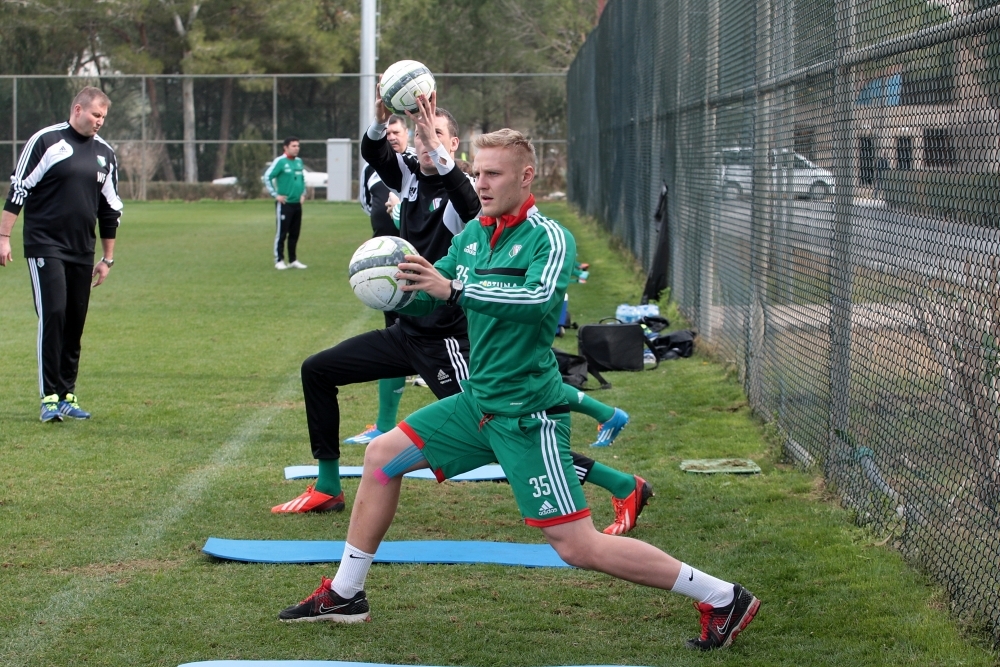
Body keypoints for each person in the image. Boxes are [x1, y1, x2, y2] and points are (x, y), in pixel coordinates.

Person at [278, 128, 760, 651]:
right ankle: (347, 593)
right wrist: (396, 284)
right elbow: (433, 300)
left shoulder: (548, 237)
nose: (480, 183)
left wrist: (456, 288)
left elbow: (535, 300)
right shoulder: (470, 237)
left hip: (528, 416)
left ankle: (722, 596)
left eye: (492, 174)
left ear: (525, 176)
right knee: (381, 457)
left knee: (577, 547)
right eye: (476, 172)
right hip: (477, 403)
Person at [273, 91, 649, 537]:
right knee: (318, 370)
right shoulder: (410, 178)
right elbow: (375, 152)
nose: (424, 144)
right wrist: (380, 121)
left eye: (436, 137)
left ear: (454, 148)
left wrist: (446, 163)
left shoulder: (472, 197)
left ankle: (622, 483)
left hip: (448, 339)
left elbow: (472, 205)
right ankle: (328, 485)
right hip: (407, 329)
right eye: (418, 137)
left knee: (498, 433)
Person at [0, 86, 122, 422]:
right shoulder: (47, 141)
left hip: (83, 249)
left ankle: (67, 393)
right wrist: (4, 236)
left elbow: (111, 208)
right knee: (53, 313)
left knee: (74, 322)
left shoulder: (106, 154)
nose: (100, 122)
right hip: (45, 245)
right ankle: (49, 397)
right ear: (78, 109)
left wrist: (107, 257)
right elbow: (19, 188)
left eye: (104, 117)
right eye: (96, 115)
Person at [263, 136, 307, 270]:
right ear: (286, 147)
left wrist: (303, 194)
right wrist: (275, 195)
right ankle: (279, 260)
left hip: (296, 204)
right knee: (282, 233)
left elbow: (302, 179)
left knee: (295, 233)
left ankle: (293, 260)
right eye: (293, 146)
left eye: (298, 146)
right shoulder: (280, 162)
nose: (296, 148)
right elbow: (267, 177)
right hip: (284, 204)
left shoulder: (299, 162)